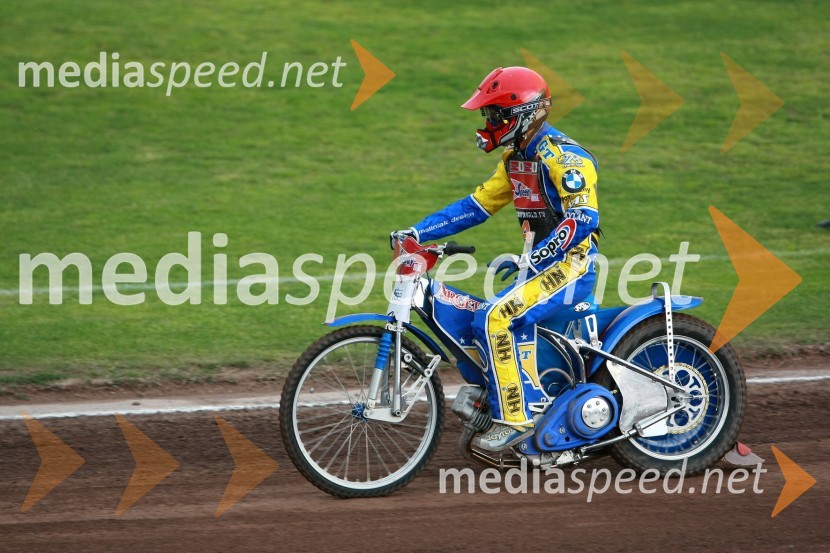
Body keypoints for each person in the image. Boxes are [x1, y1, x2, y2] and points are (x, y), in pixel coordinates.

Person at [391, 67, 600, 452]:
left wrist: (540, 255)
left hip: (571, 267)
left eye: (494, 115)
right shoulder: (515, 158)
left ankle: (517, 419)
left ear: (522, 115)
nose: (488, 124)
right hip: (541, 265)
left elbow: (584, 217)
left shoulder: (565, 158)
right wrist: (418, 232)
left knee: (494, 317)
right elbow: (477, 205)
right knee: (487, 317)